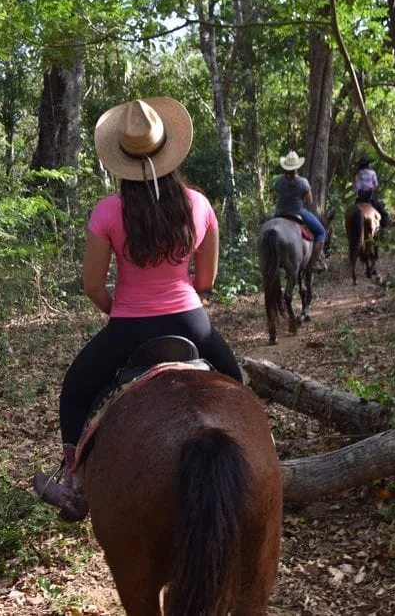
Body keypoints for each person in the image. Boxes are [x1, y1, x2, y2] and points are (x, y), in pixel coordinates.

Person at [34, 97, 243, 522]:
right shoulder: (199, 206)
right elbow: (206, 282)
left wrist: (120, 311)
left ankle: (74, 482)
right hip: (192, 323)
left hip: (128, 328)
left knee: (75, 390)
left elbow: (93, 285)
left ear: (122, 157)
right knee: (236, 383)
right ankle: (262, 462)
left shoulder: (108, 211)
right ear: (169, 149)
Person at [274, 150, 327, 246]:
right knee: (321, 232)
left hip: (279, 212)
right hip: (298, 212)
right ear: (297, 167)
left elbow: (277, 194)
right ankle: (314, 260)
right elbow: (310, 201)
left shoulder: (279, 181)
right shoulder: (303, 182)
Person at [353, 156, 391, 230]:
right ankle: (384, 225)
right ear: (368, 165)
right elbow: (375, 185)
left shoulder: (357, 174)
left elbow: (356, 187)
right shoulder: (372, 172)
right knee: (382, 210)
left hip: (360, 197)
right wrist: (371, 189)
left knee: (353, 210)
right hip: (369, 196)